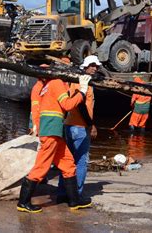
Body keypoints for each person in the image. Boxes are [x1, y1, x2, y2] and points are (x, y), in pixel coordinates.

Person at [17, 74, 93, 213]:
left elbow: (40, 107)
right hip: (52, 131)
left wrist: (36, 126)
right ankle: (23, 202)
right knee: (42, 167)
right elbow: (68, 105)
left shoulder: (48, 85)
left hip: (53, 131)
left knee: (68, 163)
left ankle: (74, 200)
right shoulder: (57, 83)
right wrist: (82, 90)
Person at [57, 55, 100, 202]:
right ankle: (76, 194)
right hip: (79, 127)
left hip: (71, 125)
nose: (95, 68)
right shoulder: (81, 82)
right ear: (85, 66)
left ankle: (63, 192)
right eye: (92, 65)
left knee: (67, 160)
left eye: (97, 66)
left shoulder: (81, 80)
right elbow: (80, 105)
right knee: (81, 161)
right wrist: (90, 124)